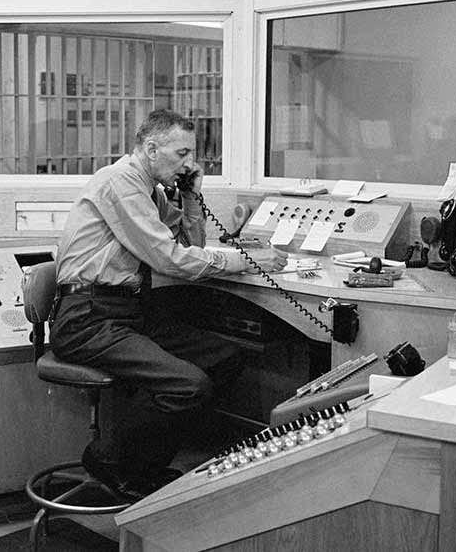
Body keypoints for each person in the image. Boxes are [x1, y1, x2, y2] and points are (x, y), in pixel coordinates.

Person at [50, 108, 288, 501]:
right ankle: (109, 458)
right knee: (188, 384)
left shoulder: (151, 190)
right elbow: (170, 260)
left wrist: (193, 194)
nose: (189, 163)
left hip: (127, 314)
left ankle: (142, 466)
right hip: (88, 318)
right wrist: (243, 259)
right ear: (151, 148)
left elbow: (189, 246)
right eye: (181, 154)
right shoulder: (121, 183)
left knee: (224, 357)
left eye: (191, 156)